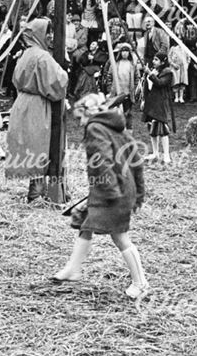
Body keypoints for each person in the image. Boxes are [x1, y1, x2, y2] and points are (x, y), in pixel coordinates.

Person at [50, 93, 148, 299]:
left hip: (112, 191)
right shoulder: (116, 127)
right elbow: (136, 160)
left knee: (120, 236)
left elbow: (103, 161)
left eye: (79, 118)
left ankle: (140, 284)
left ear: (88, 113)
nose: (79, 123)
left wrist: (108, 192)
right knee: (85, 223)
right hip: (120, 188)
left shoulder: (95, 128)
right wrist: (138, 191)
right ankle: (73, 269)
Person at [6, 17, 69, 202]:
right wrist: (64, 71)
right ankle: (37, 194)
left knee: (33, 148)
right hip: (38, 106)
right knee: (41, 147)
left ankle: (37, 191)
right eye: (47, 32)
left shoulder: (27, 53)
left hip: (23, 103)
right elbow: (57, 84)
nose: (50, 36)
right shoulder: (42, 57)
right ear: (40, 34)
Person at [102, 42, 142, 130]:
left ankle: (128, 130)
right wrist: (110, 89)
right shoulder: (115, 64)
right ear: (120, 52)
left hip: (127, 93)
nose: (125, 53)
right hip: (116, 93)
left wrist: (134, 89)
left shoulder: (133, 65)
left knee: (127, 113)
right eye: (123, 51)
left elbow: (137, 78)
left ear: (129, 53)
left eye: (127, 51)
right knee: (116, 112)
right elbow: (109, 77)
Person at [143, 51, 174, 165]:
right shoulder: (153, 71)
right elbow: (146, 86)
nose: (153, 61)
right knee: (152, 128)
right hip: (150, 102)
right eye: (154, 59)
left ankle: (166, 154)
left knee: (162, 129)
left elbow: (160, 83)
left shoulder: (168, 72)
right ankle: (155, 152)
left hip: (160, 103)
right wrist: (143, 100)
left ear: (163, 61)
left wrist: (150, 74)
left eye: (156, 60)